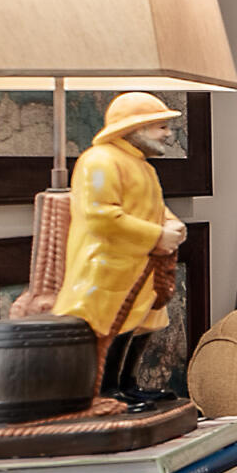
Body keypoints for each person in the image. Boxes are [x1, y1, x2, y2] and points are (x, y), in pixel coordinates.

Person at [52, 92, 189, 409]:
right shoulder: (100, 161)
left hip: (142, 269)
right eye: (161, 127)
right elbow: (101, 216)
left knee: (141, 326)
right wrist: (157, 236)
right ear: (135, 127)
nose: (168, 134)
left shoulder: (143, 167)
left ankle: (128, 383)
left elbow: (154, 207)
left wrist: (173, 224)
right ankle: (105, 389)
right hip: (108, 268)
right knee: (111, 328)